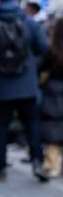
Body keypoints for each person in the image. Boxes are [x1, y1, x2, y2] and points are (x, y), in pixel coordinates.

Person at [0, 0, 49, 182]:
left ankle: (0, 168)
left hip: (1, 87)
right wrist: (32, 66)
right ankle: (37, 162)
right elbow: (43, 48)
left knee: (0, 126)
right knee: (32, 125)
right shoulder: (30, 23)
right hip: (27, 85)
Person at [38, 17, 63, 177]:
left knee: (52, 128)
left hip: (53, 91)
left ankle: (51, 165)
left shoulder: (52, 50)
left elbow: (42, 72)